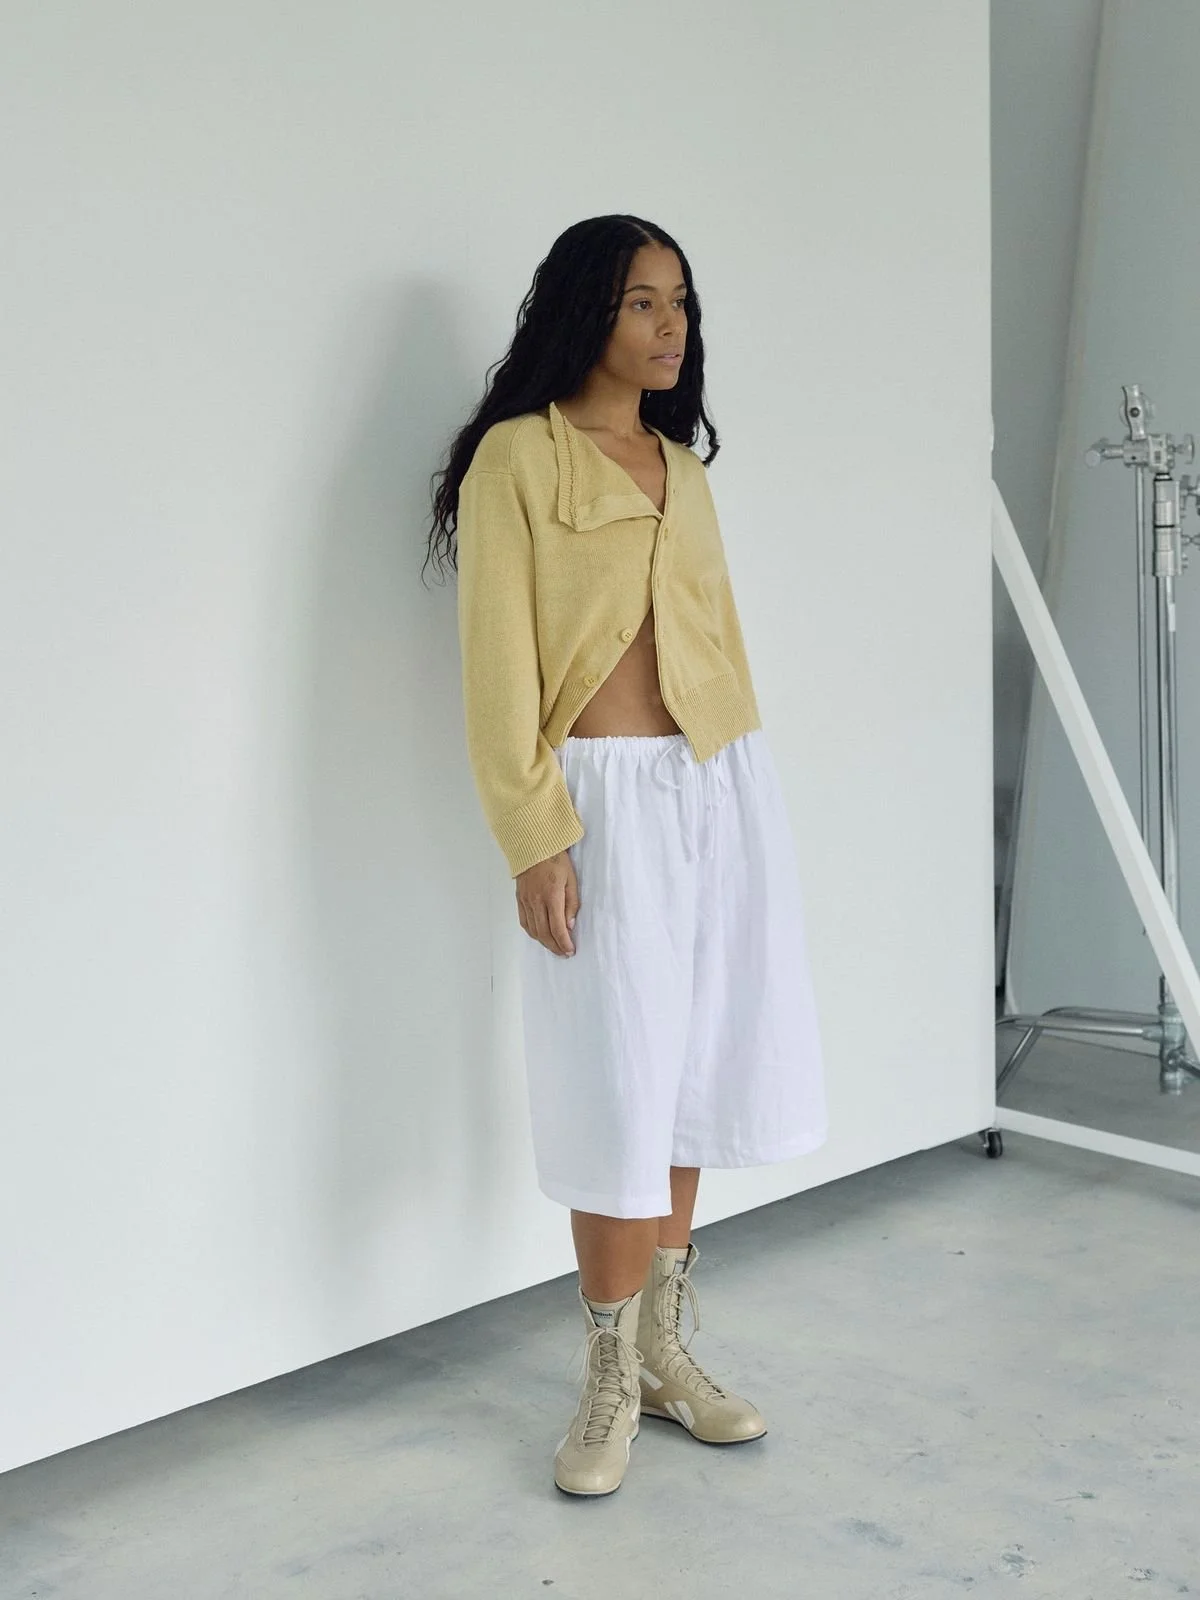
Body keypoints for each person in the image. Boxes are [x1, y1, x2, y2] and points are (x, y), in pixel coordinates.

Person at [425, 214, 827, 1497]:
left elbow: (716, 640)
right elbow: (499, 670)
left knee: (694, 1066)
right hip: (596, 801)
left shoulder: (683, 471)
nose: (672, 327)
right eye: (646, 303)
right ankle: (602, 1367)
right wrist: (534, 835)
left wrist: (744, 799)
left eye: (683, 304)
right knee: (616, 1075)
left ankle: (662, 1347)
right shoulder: (517, 462)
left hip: (718, 782)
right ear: (587, 312)